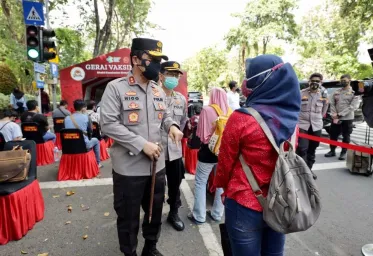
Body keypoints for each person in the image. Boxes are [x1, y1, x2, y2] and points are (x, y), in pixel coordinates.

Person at [100, 38, 183, 256]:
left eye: (159, 60)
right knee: (128, 216)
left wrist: (172, 126)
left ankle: (150, 248)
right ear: (136, 59)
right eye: (152, 59)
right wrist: (141, 144)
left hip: (157, 165)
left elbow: (164, 116)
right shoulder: (115, 88)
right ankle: (130, 253)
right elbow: (108, 124)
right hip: (129, 168)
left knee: (155, 212)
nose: (157, 65)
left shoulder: (157, 90)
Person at [214, 55, 301, 256]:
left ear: (261, 80)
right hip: (280, 200)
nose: (245, 82)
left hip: (244, 201)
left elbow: (225, 162)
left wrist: (221, 186)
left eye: (248, 76)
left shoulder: (242, 118)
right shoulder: (291, 116)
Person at [187, 87, 229, 224]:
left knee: (200, 182)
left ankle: (199, 216)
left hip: (208, 152)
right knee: (221, 183)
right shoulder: (230, 111)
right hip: (224, 153)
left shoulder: (207, 110)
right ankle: (217, 214)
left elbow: (201, 134)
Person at [158, 61, 188, 232]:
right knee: (156, 186)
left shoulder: (181, 99)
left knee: (175, 184)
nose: (174, 78)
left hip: (175, 151)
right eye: (171, 74)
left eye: (176, 75)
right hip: (156, 150)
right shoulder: (153, 95)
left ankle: (174, 213)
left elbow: (182, 122)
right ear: (161, 76)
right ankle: (153, 216)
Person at [325, 74, 361, 160]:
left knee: (346, 136)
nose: (343, 82)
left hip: (347, 118)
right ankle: (332, 151)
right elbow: (332, 103)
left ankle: (343, 152)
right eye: (342, 80)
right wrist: (334, 114)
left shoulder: (354, 92)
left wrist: (340, 114)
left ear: (349, 80)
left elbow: (353, 106)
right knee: (333, 134)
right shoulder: (337, 91)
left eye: (345, 80)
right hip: (335, 117)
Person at [297, 73, 329, 169]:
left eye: (317, 81)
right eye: (313, 81)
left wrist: (318, 118)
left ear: (321, 83)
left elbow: (325, 108)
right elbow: (296, 107)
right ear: (309, 82)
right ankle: (303, 171)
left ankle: (309, 170)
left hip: (316, 125)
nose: (315, 83)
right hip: (303, 125)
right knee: (302, 148)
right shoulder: (301, 93)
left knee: (312, 149)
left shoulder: (323, 95)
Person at [64, 99, 102, 168]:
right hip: (83, 146)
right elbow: (90, 131)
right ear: (83, 108)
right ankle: (98, 163)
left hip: (68, 146)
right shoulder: (86, 117)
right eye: (85, 107)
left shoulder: (66, 118)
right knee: (96, 140)